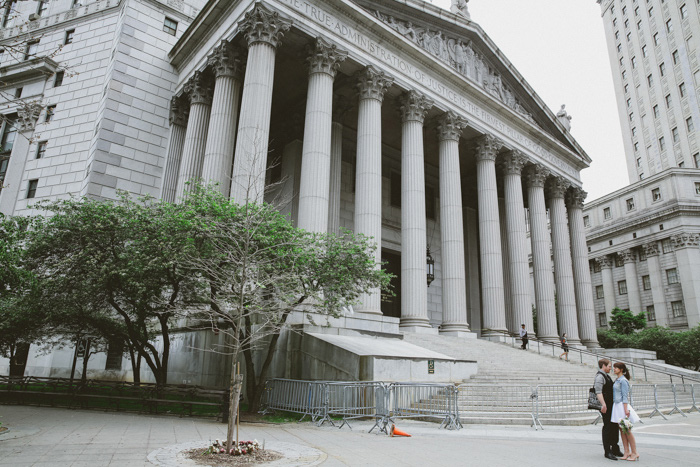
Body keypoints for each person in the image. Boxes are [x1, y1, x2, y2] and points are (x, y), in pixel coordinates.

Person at [594, 359, 623, 460]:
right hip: (606, 405)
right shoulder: (599, 377)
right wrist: (603, 404)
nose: (611, 368)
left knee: (614, 425)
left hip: (611, 405)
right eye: (609, 366)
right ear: (603, 365)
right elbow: (598, 391)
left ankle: (615, 447)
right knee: (608, 427)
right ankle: (607, 451)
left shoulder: (606, 375)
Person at [612, 362, 641, 461]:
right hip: (617, 405)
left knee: (627, 430)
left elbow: (625, 396)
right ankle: (626, 451)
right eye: (614, 367)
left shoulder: (623, 381)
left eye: (616, 368)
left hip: (621, 406)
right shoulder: (617, 380)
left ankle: (634, 452)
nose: (614, 369)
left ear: (621, 369)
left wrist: (625, 409)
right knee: (622, 430)